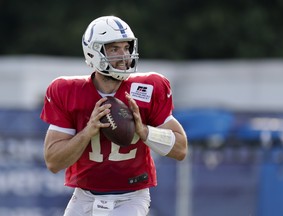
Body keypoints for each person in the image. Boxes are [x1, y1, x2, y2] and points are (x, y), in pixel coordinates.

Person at [40, 15, 188, 216]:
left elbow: (180, 149)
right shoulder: (67, 91)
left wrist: (144, 131)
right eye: (114, 49)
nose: (124, 55)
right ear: (93, 52)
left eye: (126, 48)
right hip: (85, 196)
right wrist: (87, 132)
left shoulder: (148, 87)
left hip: (131, 196)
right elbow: (53, 161)